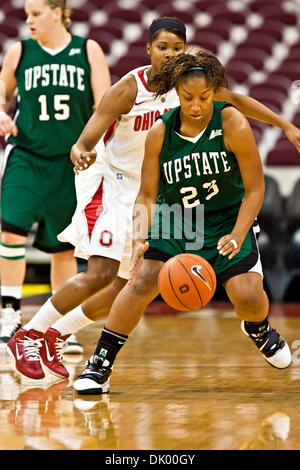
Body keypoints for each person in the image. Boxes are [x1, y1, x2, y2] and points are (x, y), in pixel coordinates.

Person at [7, 17, 300, 381]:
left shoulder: (190, 84)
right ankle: (30, 335)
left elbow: (237, 100)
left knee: (125, 286)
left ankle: (56, 334)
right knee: (102, 272)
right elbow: (88, 134)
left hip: (152, 193)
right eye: (163, 47)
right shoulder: (129, 88)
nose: (170, 54)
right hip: (112, 184)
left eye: (177, 48)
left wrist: (285, 125)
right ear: (149, 49)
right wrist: (81, 149)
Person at [73, 50, 292, 394]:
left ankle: (260, 329)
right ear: (176, 92)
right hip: (177, 219)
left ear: (214, 92)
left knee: (247, 295)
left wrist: (237, 234)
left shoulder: (231, 122)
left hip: (225, 219)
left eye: (205, 97)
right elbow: (147, 196)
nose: (196, 106)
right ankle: (100, 362)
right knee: (141, 282)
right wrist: (137, 242)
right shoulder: (160, 132)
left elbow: (255, 189)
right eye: (188, 97)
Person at [0, 0, 111, 352]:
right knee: (11, 232)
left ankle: (61, 327)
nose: (28, 20)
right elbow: (2, 98)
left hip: (71, 163)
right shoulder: (19, 52)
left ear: (58, 13)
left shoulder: (87, 50)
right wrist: (2, 116)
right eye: (27, 14)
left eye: (35, 14)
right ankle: (9, 314)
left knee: (64, 248)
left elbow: (105, 105)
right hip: (27, 157)